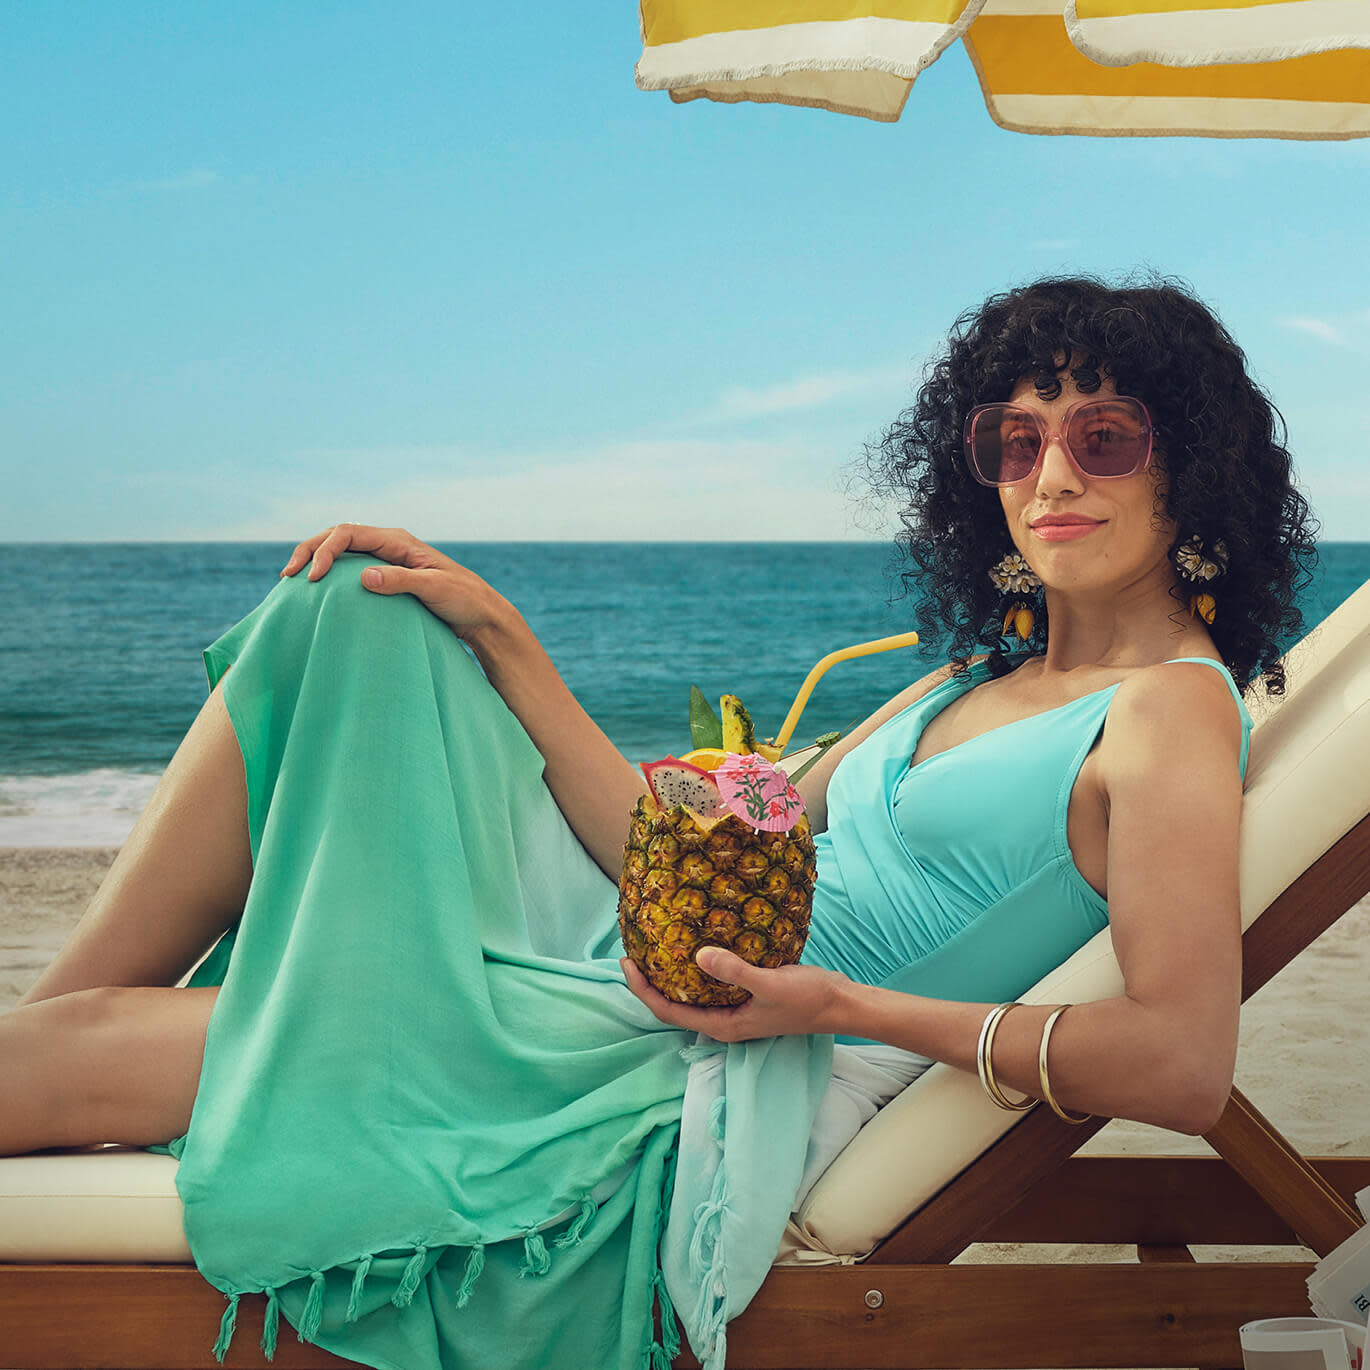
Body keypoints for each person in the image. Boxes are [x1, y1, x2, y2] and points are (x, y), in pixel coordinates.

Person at [0, 274, 1316, 1370]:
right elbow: (677, 847)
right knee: (348, 609)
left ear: (1184, 465)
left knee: (84, 1051)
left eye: (1103, 437)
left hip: (682, 1074)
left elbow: (1179, 1061)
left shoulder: (1165, 719)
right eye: (1011, 442)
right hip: (641, 979)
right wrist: (506, 637)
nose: (1047, 477)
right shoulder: (969, 677)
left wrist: (835, 1006)